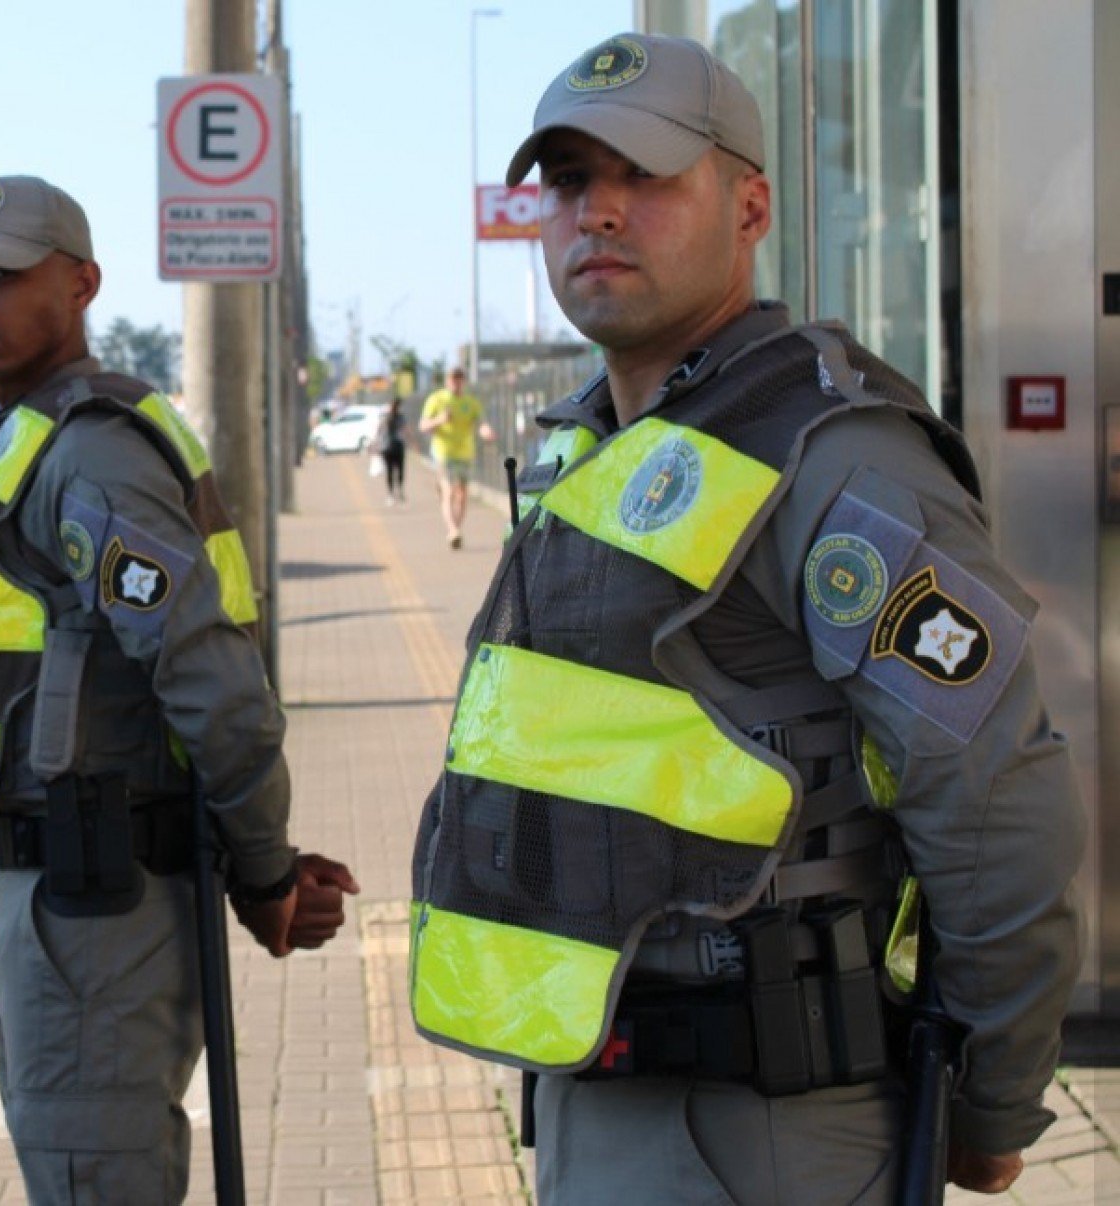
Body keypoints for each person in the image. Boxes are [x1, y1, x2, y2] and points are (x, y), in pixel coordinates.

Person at [407, 33, 1083, 1205]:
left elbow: (994, 791)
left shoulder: (829, 455)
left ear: (753, 204)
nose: (598, 213)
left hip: (754, 1131)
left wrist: (995, 1094)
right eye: (570, 182)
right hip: (603, 1100)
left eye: (646, 177)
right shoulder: (599, 443)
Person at [0, 175, 360, 1204]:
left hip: (95, 916)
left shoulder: (89, 453)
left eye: (1, 278)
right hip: (66, 898)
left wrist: (266, 871)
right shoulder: (43, 439)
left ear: (81, 284)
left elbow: (211, 676)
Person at [418, 366, 488, 548]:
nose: (456, 382)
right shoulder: (436, 399)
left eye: (459, 379)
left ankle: (456, 527)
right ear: (447, 380)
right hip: (443, 453)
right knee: (448, 490)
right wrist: (439, 420)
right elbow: (423, 425)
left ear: (463, 381)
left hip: (465, 453)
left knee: (462, 494)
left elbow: (481, 423)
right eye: (452, 378)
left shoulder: (471, 402)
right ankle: (453, 530)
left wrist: (486, 431)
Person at [379, 395, 408, 503]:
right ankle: (399, 491)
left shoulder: (385, 416)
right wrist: (413, 443)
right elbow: (406, 431)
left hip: (386, 447)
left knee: (389, 471)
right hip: (398, 446)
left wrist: (375, 444)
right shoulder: (401, 417)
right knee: (400, 470)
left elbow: (379, 430)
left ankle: (390, 494)